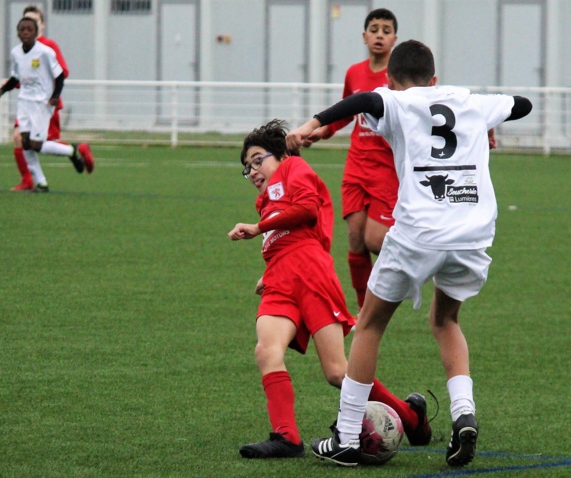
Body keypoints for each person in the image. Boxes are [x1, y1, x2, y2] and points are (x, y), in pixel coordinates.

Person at [286, 40, 532, 467]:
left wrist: (311, 123)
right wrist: (486, 122)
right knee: (446, 320)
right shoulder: (472, 102)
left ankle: (346, 436)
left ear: (390, 81)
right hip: (472, 235)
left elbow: (362, 100)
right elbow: (523, 104)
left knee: (370, 325)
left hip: (419, 232)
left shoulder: (396, 101)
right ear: (434, 78)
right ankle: (464, 414)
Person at [228, 119, 432, 460]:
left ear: (279, 155)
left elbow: (307, 210)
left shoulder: (294, 168)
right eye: (246, 167)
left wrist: (258, 227)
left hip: (311, 277)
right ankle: (286, 438)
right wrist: (270, 271)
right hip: (281, 280)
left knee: (338, 372)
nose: (252, 171)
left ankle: (410, 416)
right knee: (266, 351)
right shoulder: (265, 200)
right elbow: (285, 239)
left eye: (257, 159)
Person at [304, 9, 398, 310]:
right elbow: (346, 111)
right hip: (356, 168)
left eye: (386, 30)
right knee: (356, 242)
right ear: (364, 36)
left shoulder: (399, 77)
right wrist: (324, 131)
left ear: (395, 38)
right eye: (374, 29)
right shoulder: (354, 73)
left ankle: (412, 266)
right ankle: (363, 310)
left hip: (388, 170)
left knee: (374, 241)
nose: (379, 34)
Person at [0, 16, 94, 193]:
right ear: (18, 33)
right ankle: (42, 183)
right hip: (24, 102)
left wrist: (55, 96)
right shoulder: (16, 53)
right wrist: (2, 91)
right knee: (24, 142)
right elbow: (15, 77)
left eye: (29, 29)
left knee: (36, 144)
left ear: (36, 32)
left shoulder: (45, 52)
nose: (25, 32)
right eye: (22, 29)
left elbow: (60, 75)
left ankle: (72, 149)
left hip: (42, 103)